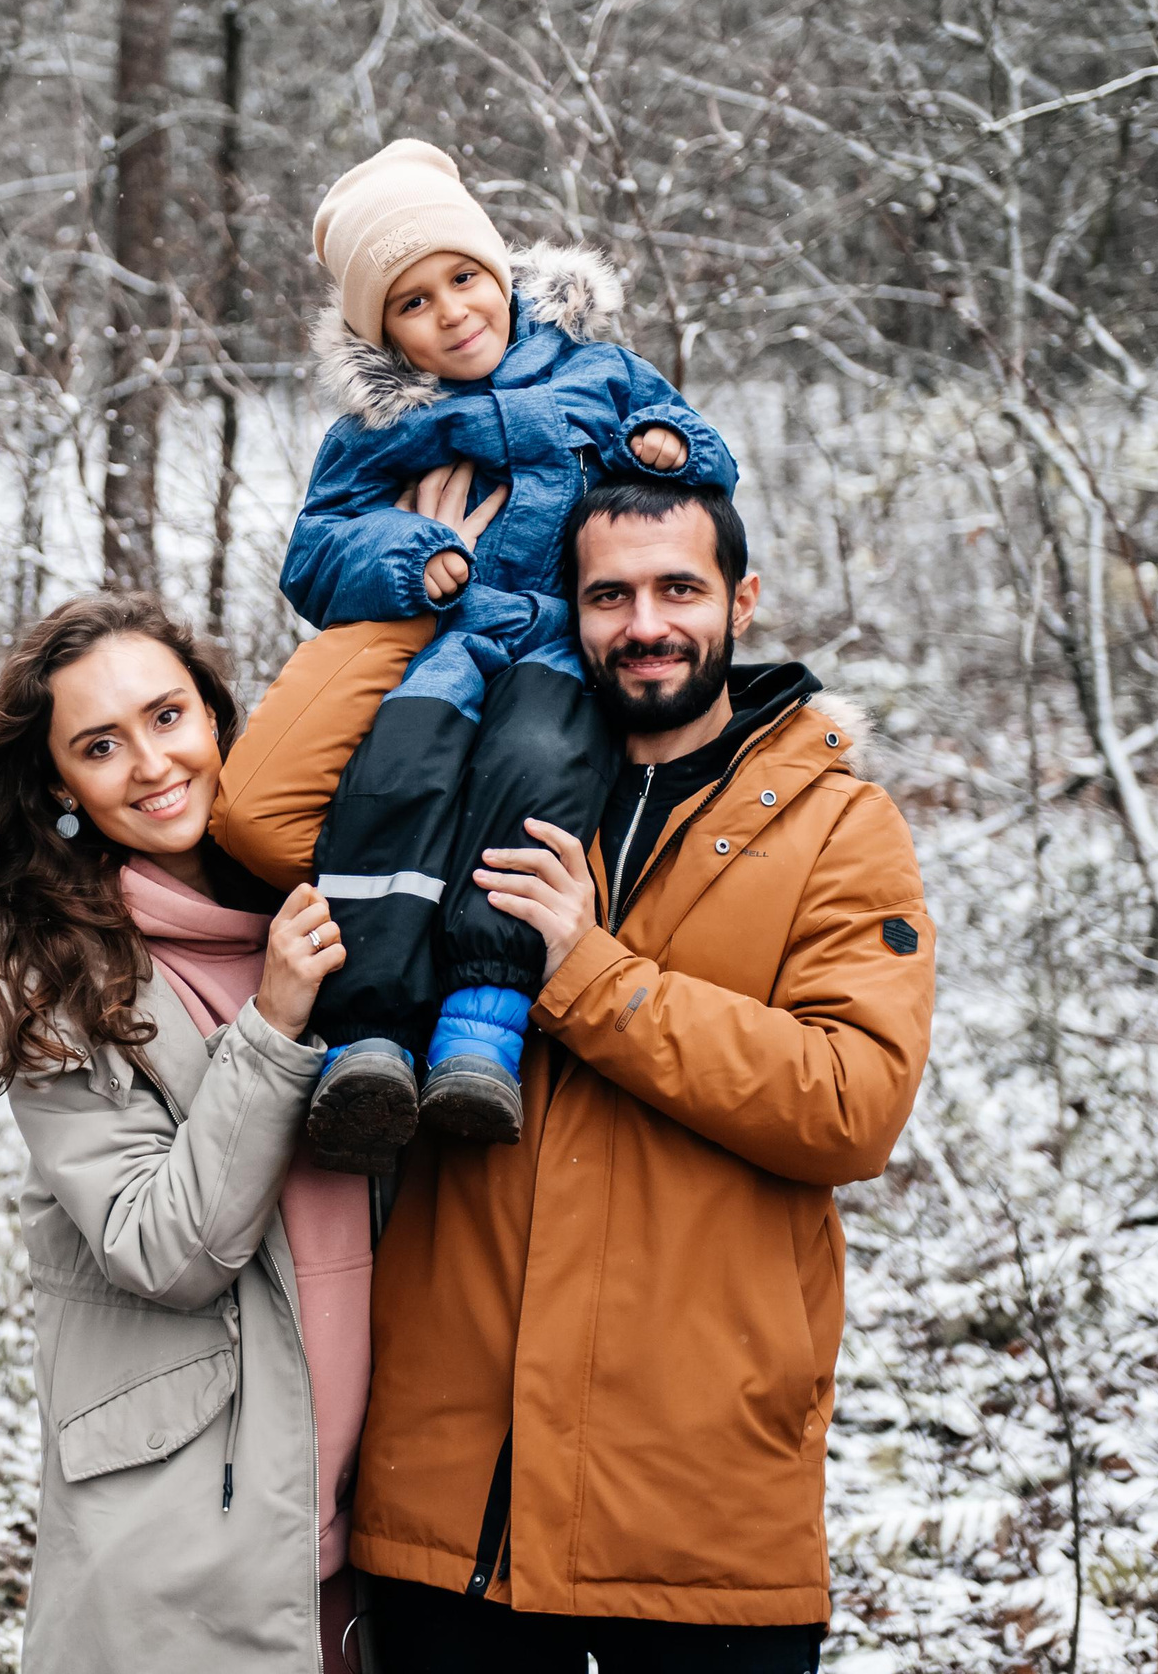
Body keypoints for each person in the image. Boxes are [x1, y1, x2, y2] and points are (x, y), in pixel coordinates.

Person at [217, 479, 935, 1671]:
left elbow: (850, 1106)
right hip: (449, 1510)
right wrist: (426, 594)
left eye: (678, 590)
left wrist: (591, 976)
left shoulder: (837, 827)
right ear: (571, 609)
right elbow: (259, 814)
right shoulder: (485, 789)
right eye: (608, 595)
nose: (644, 623)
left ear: (740, 601)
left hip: (699, 1514)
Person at [0, 594, 373, 1674]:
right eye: (99, 746)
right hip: (189, 1552)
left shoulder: (329, 905)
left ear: (218, 718)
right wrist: (273, 1024)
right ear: (59, 785)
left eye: (167, 718)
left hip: (380, 1530)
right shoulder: (47, 982)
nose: (151, 764)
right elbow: (166, 1249)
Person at [281, 138, 739, 1171]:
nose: (450, 311)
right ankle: (370, 1038)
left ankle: (481, 1023)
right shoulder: (376, 427)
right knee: (393, 787)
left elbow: (704, 453)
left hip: (560, 647)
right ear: (381, 334)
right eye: (412, 303)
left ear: (502, 273)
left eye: (463, 277)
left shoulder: (598, 373)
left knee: (536, 773)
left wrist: (667, 445)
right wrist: (411, 555)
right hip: (446, 647)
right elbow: (314, 553)